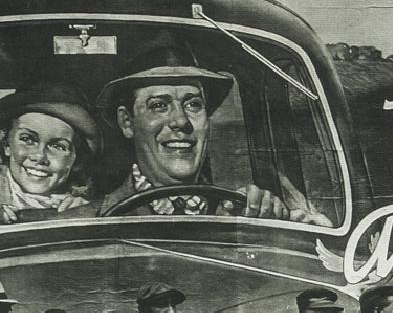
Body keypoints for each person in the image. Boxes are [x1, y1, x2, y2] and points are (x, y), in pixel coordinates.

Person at [96, 44, 331, 224]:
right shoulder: (88, 223)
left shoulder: (240, 215)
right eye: (159, 105)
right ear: (127, 122)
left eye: (193, 105)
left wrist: (279, 226)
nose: (180, 121)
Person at [0, 84, 102, 220]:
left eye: (58, 146)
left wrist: (86, 212)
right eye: (27, 139)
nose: (39, 156)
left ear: (77, 159)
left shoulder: (92, 208)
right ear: (7, 144)